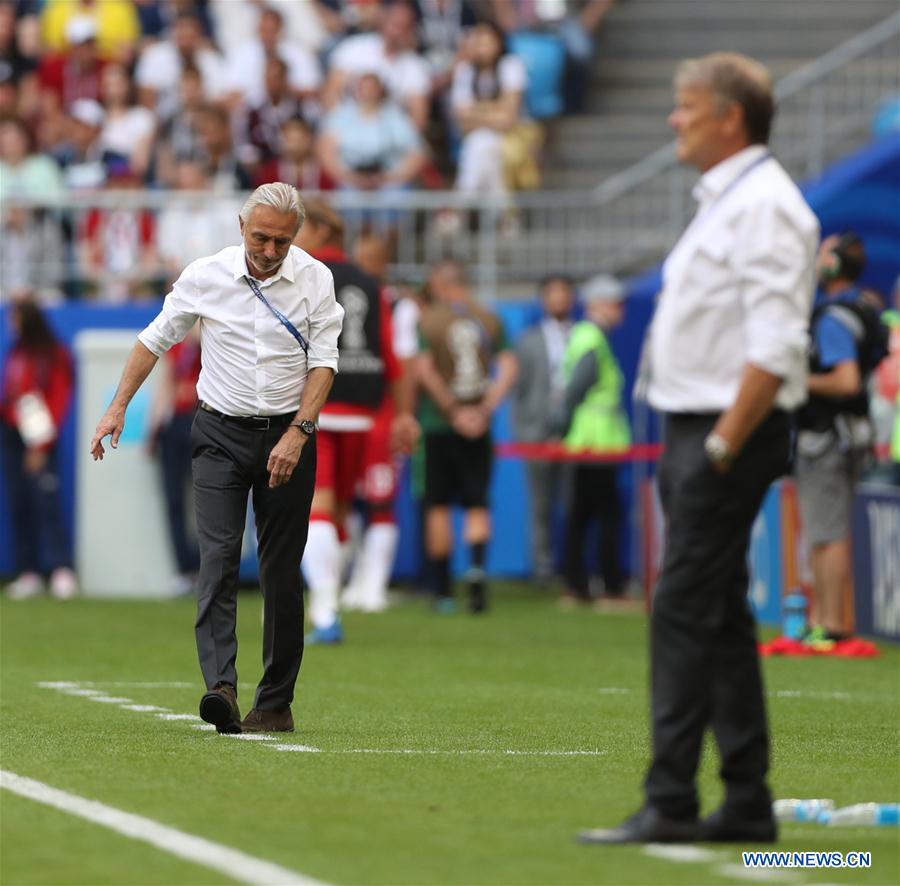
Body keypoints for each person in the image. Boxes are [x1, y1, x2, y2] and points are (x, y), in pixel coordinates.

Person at [579, 53, 819, 845]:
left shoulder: (764, 207)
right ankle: (746, 799)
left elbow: (776, 345)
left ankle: (672, 799)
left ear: (730, 117)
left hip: (725, 431)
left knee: (682, 610)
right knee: (716, 616)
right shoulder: (732, 200)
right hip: (700, 429)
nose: (672, 120)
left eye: (686, 107)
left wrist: (719, 447)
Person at [89, 183, 344, 735]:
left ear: (296, 237)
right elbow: (155, 340)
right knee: (219, 557)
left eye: (282, 241)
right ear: (240, 226)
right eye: (261, 237)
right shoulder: (205, 274)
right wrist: (117, 407)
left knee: (281, 570)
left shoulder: (316, 279)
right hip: (218, 432)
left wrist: (299, 432)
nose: (270, 250)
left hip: (288, 435)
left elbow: (324, 362)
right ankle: (221, 688)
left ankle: (274, 703)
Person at [294, 199, 417, 643]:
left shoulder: (304, 275)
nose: (292, 237)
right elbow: (391, 355)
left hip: (317, 407)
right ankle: (329, 601)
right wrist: (403, 413)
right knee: (340, 512)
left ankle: (325, 610)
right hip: (363, 412)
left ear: (321, 231)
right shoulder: (370, 282)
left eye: (300, 228)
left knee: (316, 509)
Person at [795, 233, 889, 643]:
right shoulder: (863, 308)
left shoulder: (834, 317)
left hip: (827, 439)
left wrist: (797, 382)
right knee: (824, 530)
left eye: (821, 255)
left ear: (833, 264)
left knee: (826, 533)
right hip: (850, 434)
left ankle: (831, 624)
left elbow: (846, 380)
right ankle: (822, 620)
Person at [416, 259, 518, 613]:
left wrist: (452, 410)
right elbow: (509, 367)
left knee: (438, 506)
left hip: (439, 424)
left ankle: (443, 590)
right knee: (477, 503)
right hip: (479, 426)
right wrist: (484, 409)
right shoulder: (489, 318)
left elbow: (424, 370)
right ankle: (476, 580)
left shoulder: (429, 320)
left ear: (439, 284)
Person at [555, 274, 630, 605]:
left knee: (583, 514)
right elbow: (576, 389)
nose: (621, 311)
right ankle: (606, 586)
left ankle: (579, 584)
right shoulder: (591, 338)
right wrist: (560, 425)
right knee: (601, 515)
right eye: (616, 304)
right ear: (598, 305)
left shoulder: (587, 336)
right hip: (594, 442)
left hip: (591, 440)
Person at [1, 299, 78, 600]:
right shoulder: (16, 352)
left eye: (15, 318)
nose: (10, 324)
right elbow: (12, 394)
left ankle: (61, 570)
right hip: (12, 435)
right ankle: (28, 572)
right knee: (19, 503)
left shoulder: (53, 353)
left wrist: (41, 444)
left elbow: (58, 398)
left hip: (40, 436)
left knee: (46, 503)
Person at [511, 273, 576, 585]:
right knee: (540, 504)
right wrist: (523, 432)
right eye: (553, 293)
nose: (559, 298)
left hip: (576, 432)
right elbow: (520, 390)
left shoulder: (583, 335)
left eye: (564, 292)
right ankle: (542, 567)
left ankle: (574, 567)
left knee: (573, 502)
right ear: (543, 299)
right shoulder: (528, 340)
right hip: (536, 432)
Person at [146, 327, 202, 596]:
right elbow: (166, 386)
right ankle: (184, 569)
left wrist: (195, 391)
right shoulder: (176, 347)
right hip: (175, 426)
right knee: (173, 500)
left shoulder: (215, 342)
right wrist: (153, 429)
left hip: (202, 422)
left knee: (209, 502)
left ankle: (208, 568)